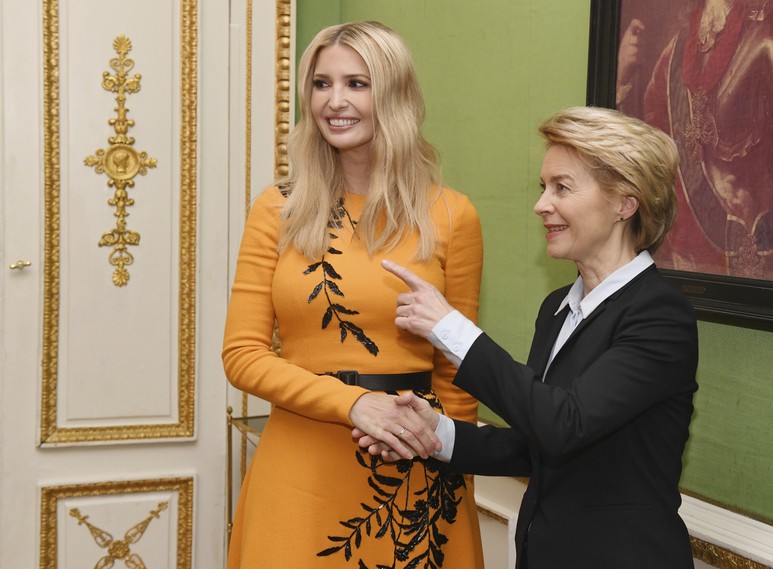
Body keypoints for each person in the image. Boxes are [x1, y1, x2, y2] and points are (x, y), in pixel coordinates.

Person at [357, 106, 699, 568]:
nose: (541, 204)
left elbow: (565, 424)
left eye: (562, 187)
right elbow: (535, 440)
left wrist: (450, 328)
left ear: (625, 202)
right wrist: (434, 433)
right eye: (544, 187)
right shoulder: (557, 309)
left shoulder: (661, 315)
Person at [222, 21, 484, 569]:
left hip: (415, 464)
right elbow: (242, 355)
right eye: (321, 83)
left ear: (394, 94)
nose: (335, 101)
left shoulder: (451, 215)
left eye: (357, 84)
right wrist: (355, 403)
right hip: (299, 468)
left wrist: (444, 458)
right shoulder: (279, 208)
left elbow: (458, 369)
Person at [617, 0, 773, 283]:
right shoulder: (675, 52)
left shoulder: (768, 40)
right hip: (680, 262)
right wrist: (622, 76)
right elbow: (642, 156)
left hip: (746, 258)